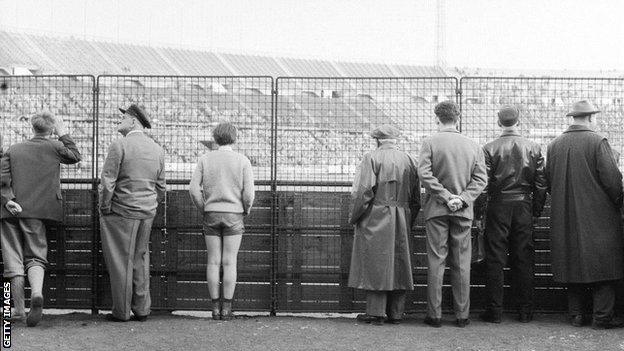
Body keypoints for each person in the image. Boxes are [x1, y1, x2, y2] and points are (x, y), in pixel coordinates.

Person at [546, 100, 624, 329]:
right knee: (605, 263)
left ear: (573, 118)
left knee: (572, 262)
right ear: (590, 117)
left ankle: (577, 315)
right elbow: (612, 180)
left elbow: (549, 180)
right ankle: (602, 317)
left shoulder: (554, 145)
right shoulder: (598, 141)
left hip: (564, 215)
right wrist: (618, 200)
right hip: (599, 215)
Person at [0, 112, 81, 327]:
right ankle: (36, 293)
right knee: (36, 256)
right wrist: (62, 132)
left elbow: (2, 179)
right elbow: (75, 155)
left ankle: (17, 310)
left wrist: (9, 200)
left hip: (9, 212)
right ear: (51, 129)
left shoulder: (14, 149)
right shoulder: (55, 147)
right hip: (37, 212)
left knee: (13, 263)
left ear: (32, 127)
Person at [418, 101, 487, 328]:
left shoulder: (429, 142)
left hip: (437, 209)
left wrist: (446, 197)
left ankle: (434, 315)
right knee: (461, 262)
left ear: (437, 118)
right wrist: (462, 199)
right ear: (457, 118)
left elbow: (425, 175)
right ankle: (462, 315)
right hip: (463, 212)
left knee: (436, 261)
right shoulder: (473, 145)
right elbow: (480, 180)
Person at [478, 106, 547, 324]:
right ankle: (525, 311)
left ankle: (494, 311)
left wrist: (481, 214)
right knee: (523, 259)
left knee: (495, 259)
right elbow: (541, 184)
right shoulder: (534, 148)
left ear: (499, 123)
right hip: (523, 206)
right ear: (519, 122)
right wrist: (535, 211)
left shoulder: (489, 148)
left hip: (498, 206)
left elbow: (483, 186)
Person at [348, 124, 420, 326]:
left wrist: (354, 217)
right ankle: (396, 313)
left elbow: (363, 193)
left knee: (376, 262)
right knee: (399, 263)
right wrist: (408, 219)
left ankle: (376, 312)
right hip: (402, 215)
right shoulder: (410, 160)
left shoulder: (371, 157)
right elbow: (416, 199)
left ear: (378, 140)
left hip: (376, 214)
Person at [99, 104, 165, 322]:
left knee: (120, 262)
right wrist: (150, 205)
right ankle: (142, 309)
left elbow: (108, 182)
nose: (120, 120)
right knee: (140, 258)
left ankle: (121, 312)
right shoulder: (157, 149)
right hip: (147, 212)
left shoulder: (119, 145)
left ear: (134, 121)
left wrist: (105, 207)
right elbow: (161, 188)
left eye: (124, 117)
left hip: (121, 212)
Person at [189, 122, 254, 320]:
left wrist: (204, 208)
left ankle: (215, 309)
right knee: (229, 262)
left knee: (213, 261)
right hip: (234, 214)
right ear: (234, 138)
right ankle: (227, 309)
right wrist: (245, 209)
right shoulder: (243, 160)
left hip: (211, 214)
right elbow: (249, 194)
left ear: (215, 138)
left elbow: (193, 189)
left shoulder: (205, 159)